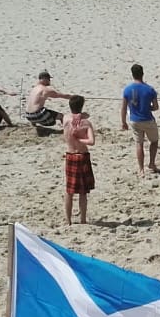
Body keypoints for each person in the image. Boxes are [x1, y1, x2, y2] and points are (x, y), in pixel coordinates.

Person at [121, 64, 160, 176]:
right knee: (154, 141)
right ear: (142, 74)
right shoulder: (150, 89)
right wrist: (148, 107)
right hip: (147, 119)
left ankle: (141, 169)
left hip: (134, 120)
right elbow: (156, 107)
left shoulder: (127, 89)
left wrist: (123, 122)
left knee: (139, 143)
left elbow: (123, 108)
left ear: (132, 75)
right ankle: (151, 163)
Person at [63, 95, 96, 225]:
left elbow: (70, 116)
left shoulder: (66, 119)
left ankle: (68, 220)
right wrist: (80, 139)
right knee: (83, 191)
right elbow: (91, 141)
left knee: (69, 191)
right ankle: (82, 219)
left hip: (70, 155)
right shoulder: (86, 123)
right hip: (82, 156)